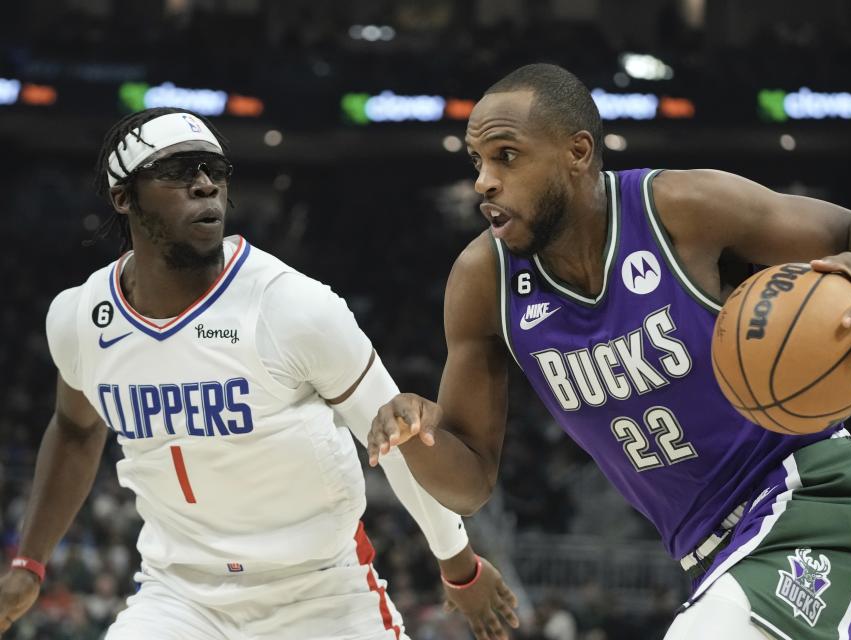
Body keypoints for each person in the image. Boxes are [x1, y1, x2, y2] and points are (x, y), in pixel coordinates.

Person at [369, 64, 851, 640]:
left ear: (577, 152)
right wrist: (418, 437)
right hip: (710, 555)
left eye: (507, 155)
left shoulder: (680, 208)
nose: (484, 181)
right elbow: (471, 484)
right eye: (477, 161)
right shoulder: (484, 281)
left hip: (815, 499)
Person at [0, 107, 519, 640]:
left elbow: (401, 441)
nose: (204, 185)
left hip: (318, 592)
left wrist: (460, 565)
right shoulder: (81, 317)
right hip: (180, 595)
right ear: (123, 196)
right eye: (179, 170)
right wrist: (29, 564)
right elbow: (76, 427)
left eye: (213, 170)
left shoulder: (292, 306)